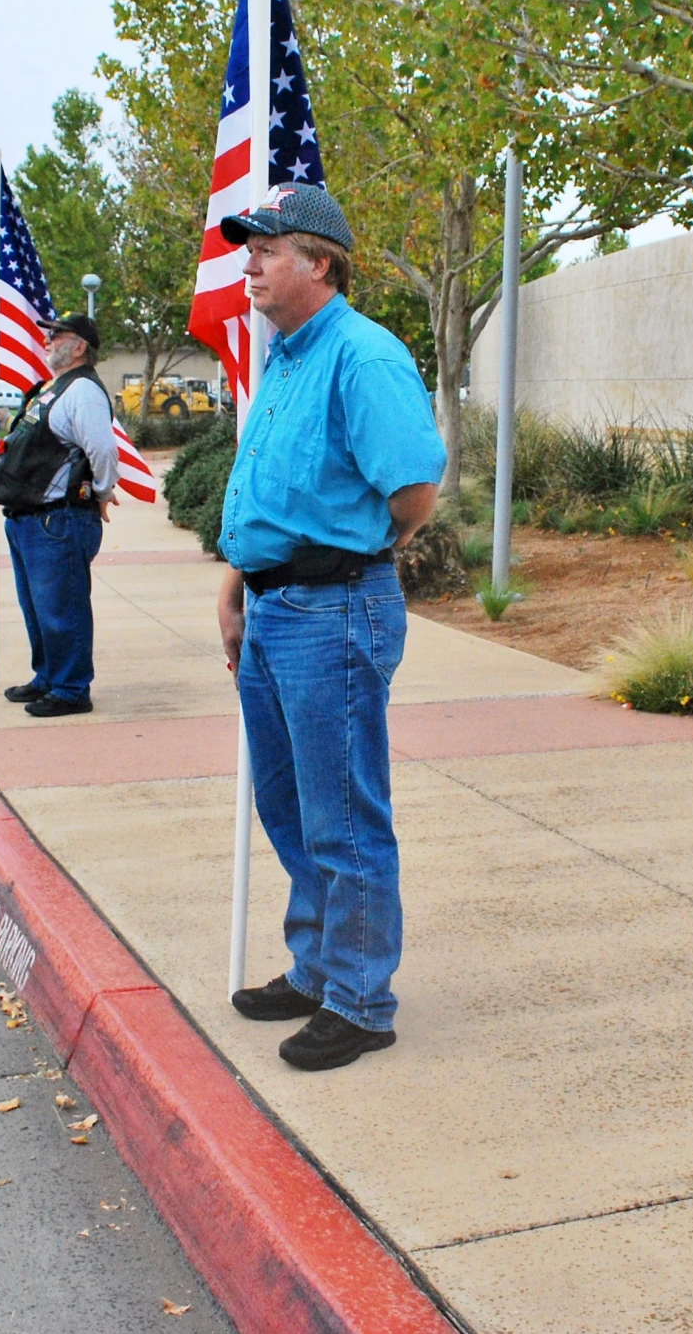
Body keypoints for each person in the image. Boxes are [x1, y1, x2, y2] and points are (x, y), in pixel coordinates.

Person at [213, 184, 445, 1072]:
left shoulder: (362, 356)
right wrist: (237, 590)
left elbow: (412, 492)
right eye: (249, 247)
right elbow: (268, 493)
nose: (251, 261)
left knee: (343, 810)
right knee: (289, 803)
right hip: (274, 609)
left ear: (320, 262)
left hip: (333, 607)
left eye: (268, 247)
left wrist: (345, 566)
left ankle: (359, 996)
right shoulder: (286, 358)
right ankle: (316, 966)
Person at [0, 313, 118, 718]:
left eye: (58, 334)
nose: (48, 339)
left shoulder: (83, 391)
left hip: (57, 520)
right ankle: (48, 677)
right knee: (39, 607)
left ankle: (72, 689)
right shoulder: (52, 389)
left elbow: (103, 451)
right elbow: (47, 436)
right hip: (30, 518)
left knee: (62, 607)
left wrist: (102, 493)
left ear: (79, 347)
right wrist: (5, 423)